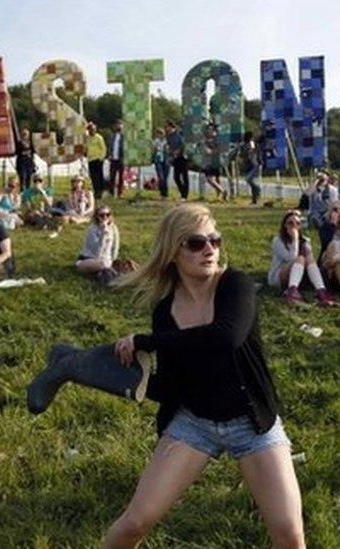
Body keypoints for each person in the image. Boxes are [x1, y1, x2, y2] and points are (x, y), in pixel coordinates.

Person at [29, 204, 305, 546]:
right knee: (134, 523)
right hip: (195, 423)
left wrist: (147, 343)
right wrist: (125, 380)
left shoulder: (235, 285)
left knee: (289, 534)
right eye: (196, 243)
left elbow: (225, 338)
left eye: (215, 241)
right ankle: (70, 365)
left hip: (252, 424)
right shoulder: (166, 311)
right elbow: (176, 385)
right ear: (173, 251)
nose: (210, 249)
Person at [268, 210, 338, 307]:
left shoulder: (305, 240)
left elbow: (311, 262)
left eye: (297, 223)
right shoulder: (278, 240)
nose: (294, 226)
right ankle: (292, 291)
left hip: (298, 275)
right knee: (300, 258)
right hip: (279, 276)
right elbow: (291, 258)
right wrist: (295, 239)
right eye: (290, 223)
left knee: (309, 256)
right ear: (284, 225)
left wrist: (300, 241)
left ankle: (321, 290)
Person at [76, 206, 122, 284]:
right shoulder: (92, 229)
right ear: (97, 216)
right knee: (101, 265)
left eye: (108, 214)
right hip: (88, 259)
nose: (105, 217)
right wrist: (103, 234)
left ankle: (108, 276)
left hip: (106, 260)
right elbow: (97, 251)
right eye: (102, 215)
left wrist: (112, 260)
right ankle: (116, 276)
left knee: (105, 267)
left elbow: (115, 247)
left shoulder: (113, 228)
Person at [201, 123, 227, 200]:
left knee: (215, 178)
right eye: (208, 129)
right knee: (210, 178)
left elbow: (221, 149)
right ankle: (221, 192)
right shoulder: (206, 139)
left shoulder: (218, 139)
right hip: (209, 161)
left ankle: (220, 193)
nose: (209, 131)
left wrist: (211, 151)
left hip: (217, 160)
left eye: (211, 129)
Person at [166, 121, 189, 201]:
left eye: (169, 127)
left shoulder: (179, 135)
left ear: (173, 128)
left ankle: (185, 195)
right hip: (175, 158)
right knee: (176, 177)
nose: (167, 129)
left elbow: (182, 145)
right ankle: (182, 192)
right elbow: (169, 146)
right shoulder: (169, 136)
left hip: (183, 157)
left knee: (184, 176)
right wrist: (170, 154)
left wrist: (177, 152)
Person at [87, 123, 108, 200]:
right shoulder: (88, 138)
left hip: (98, 159)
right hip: (90, 159)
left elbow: (103, 148)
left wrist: (101, 158)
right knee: (92, 176)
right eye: (90, 130)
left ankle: (100, 191)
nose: (91, 131)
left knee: (99, 176)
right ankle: (95, 190)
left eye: (92, 129)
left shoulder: (99, 138)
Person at [239, 131, 261, 206]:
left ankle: (257, 189)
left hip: (254, 165)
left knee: (248, 179)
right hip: (248, 165)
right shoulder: (243, 144)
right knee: (250, 181)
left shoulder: (251, 143)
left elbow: (251, 151)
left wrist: (247, 152)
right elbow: (242, 154)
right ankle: (254, 200)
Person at [108, 121, 125, 197]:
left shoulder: (124, 136)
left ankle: (120, 193)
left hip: (121, 159)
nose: (118, 127)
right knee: (112, 176)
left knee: (121, 177)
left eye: (120, 125)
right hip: (113, 159)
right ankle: (111, 192)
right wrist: (110, 155)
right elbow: (110, 147)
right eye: (117, 125)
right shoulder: (112, 136)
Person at [151, 128, 168, 199]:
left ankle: (165, 193)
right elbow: (152, 149)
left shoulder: (167, 141)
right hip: (158, 160)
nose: (159, 135)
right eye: (158, 134)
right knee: (161, 177)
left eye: (160, 134)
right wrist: (154, 149)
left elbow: (169, 150)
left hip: (166, 160)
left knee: (165, 177)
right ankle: (162, 193)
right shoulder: (155, 141)